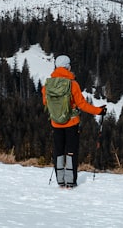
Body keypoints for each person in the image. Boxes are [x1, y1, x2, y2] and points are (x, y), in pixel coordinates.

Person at [41, 54, 106, 188]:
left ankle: (60, 181)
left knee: (58, 151)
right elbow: (82, 105)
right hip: (71, 123)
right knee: (71, 151)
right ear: (68, 67)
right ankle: (70, 182)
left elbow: (45, 102)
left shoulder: (48, 85)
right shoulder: (73, 84)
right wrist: (99, 111)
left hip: (55, 123)